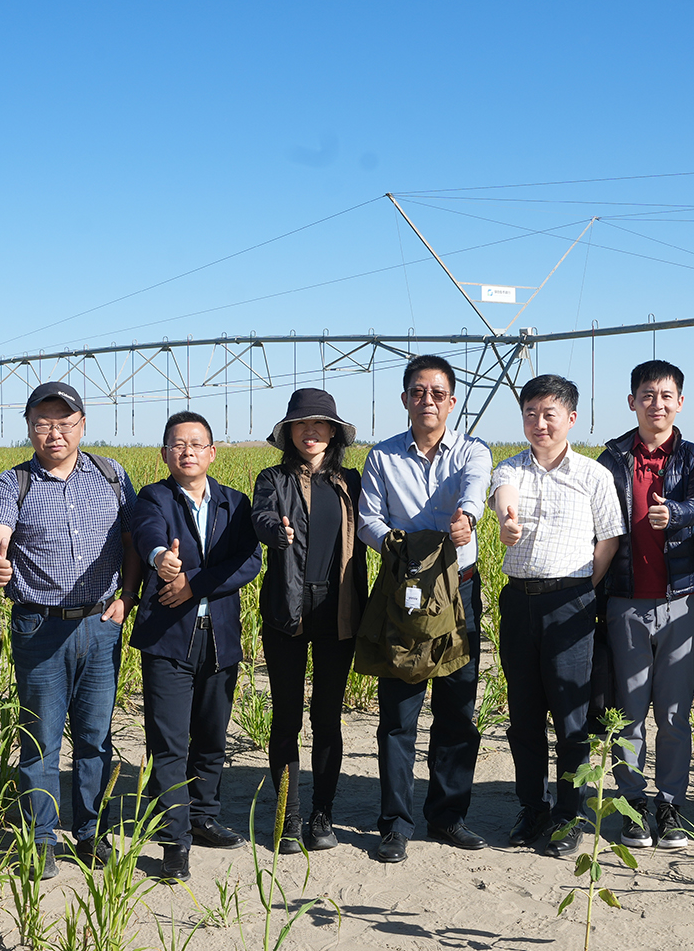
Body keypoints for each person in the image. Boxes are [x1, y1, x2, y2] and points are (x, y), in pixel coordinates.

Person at [0, 382, 141, 878]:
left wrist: (128, 596)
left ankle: (91, 833)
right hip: (39, 627)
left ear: (82, 425)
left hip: (100, 624)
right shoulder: (13, 483)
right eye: (43, 423)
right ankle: (41, 838)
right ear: (29, 428)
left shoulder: (112, 475)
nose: (55, 433)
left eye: (64, 423)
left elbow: (133, 541)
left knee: (96, 738)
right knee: (40, 740)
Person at [356, 356, 493, 863]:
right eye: (418, 391)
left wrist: (467, 519)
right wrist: (401, 547)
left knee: (457, 709)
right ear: (405, 399)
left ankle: (447, 816)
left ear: (452, 402)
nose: (427, 400)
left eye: (437, 393)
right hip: (404, 597)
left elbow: (475, 488)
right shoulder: (382, 457)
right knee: (398, 714)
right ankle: (395, 824)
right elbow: (368, 517)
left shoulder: (472, 450)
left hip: (459, 594)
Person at [490, 374, 626, 857]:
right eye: (531, 413)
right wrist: (508, 523)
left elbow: (609, 538)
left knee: (572, 717)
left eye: (549, 414)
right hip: (519, 602)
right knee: (523, 715)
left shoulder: (593, 475)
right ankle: (533, 808)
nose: (539, 423)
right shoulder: (510, 467)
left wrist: (582, 587)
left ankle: (570, 814)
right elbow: (505, 499)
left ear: (571, 418)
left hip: (571, 602)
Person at [130, 412, 262, 880]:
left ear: (212, 452)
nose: (187, 451)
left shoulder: (234, 503)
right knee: (168, 742)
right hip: (169, 639)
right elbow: (147, 534)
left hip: (220, 637)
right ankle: (174, 840)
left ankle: (204, 816)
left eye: (196, 444)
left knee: (211, 736)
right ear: (165, 453)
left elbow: (250, 560)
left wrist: (193, 585)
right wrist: (161, 559)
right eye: (177, 444)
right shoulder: (154, 497)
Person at [596, 360, 694, 850]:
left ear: (680, 403)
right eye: (647, 395)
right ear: (632, 401)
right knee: (628, 714)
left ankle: (669, 805)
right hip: (625, 603)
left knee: (673, 715)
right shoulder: (612, 458)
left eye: (667, 396)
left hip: (680, 604)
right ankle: (632, 805)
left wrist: (677, 512)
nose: (657, 404)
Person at [252, 388, 367, 855]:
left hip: (338, 611)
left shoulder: (351, 481)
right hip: (287, 610)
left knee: (327, 716)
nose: (311, 431)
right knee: (286, 717)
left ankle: (322, 814)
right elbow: (260, 516)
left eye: (320, 424)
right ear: (290, 433)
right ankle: (289, 815)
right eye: (301, 424)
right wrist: (275, 531)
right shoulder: (272, 479)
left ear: (333, 433)